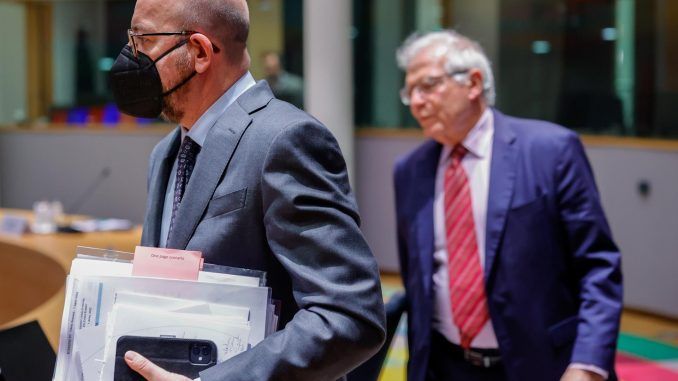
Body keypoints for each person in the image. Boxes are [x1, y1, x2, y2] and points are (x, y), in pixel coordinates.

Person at [107, 1, 386, 380]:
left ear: (200, 52)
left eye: (143, 39)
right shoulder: (167, 153)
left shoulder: (285, 139)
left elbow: (349, 315)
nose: (130, 54)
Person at [393, 30, 622, 381]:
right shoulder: (410, 171)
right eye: (410, 92)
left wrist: (587, 366)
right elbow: (418, 280)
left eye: (427, 86)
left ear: (473, 83)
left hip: (542, 365)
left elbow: (598, 267)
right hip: (445, 366)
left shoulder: (551, 151)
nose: (416, 101)